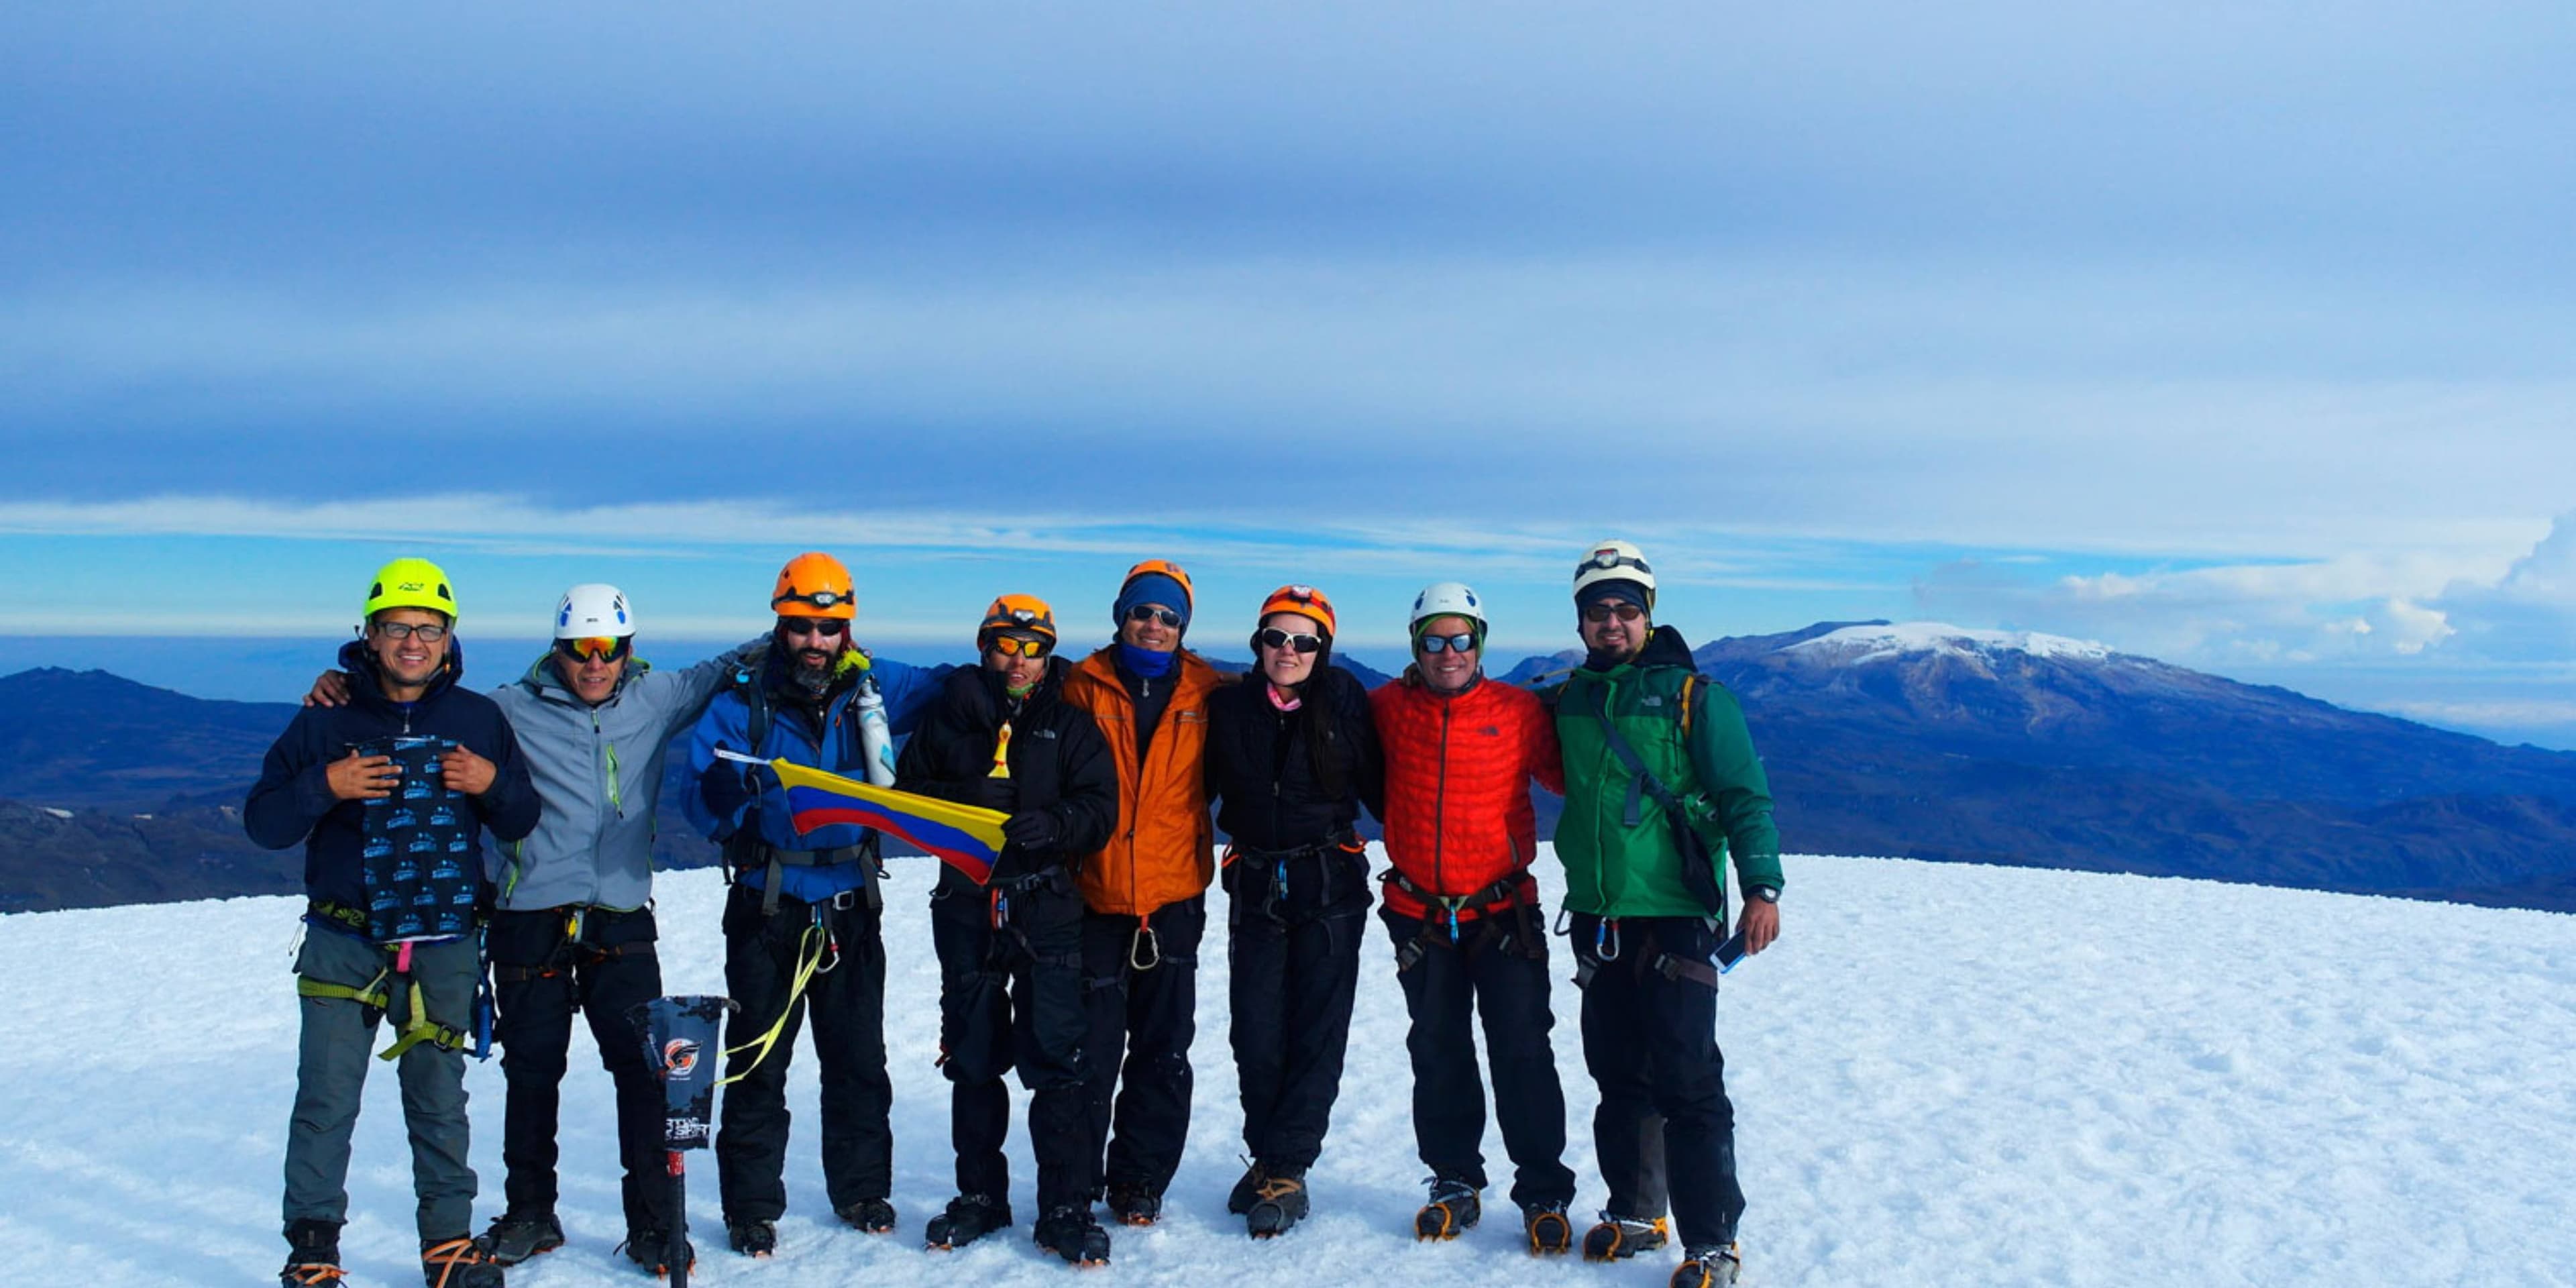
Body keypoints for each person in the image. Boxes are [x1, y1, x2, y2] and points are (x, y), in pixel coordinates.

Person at [305, 586, 766, 1273]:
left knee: (643, 1075)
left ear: (627, 650)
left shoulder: (658, 697)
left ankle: (650, 1224)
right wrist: (348, 677)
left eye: (608, 649)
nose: (594, 664)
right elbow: (422, 695)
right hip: (531, 918)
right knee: (532, 1073)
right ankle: (530, 1214)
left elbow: (732, 664)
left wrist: (813, 631)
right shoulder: (506, 709)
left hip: (621, 917)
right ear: (558, 651)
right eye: (580, 650)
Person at [246, 557, 539, 1288]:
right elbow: (265, 821)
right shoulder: (326, 718)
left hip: (442, 939)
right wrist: (327, 785)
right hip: (344, 938)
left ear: (449, 638)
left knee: (439, 1098)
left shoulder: (477, 719)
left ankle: (448, 1248)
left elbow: (523, 815)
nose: (414, 641)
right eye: (398, 627)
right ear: (370, 635)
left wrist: (492, 783)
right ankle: (313, 1251)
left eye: (429, 629)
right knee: (326, 1096)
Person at [682, 552, 941, 1257]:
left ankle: (861, 1191)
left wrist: (1051, 675)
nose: (816, 642)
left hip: (851, 902)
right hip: (769, 906)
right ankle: (751, 1206)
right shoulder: (741, 704)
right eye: (802, 627)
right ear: (781, 625)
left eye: (829, 628)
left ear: (847, 629)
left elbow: (960, 688)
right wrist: (727, 799)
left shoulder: (877, 687)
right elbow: (696, 792)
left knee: (858, 1055)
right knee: (756, 1061)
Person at [1546, 541, 1782, 1288]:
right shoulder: (1572, 699)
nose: (1611, 622)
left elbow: (1744, 794)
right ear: (1580, 620)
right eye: (1597, 611)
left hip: (1678, 916)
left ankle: (1712, 1239)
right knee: (1619, 1075)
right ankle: (1638, 1213)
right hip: (1600, 918)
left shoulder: (1697, 697)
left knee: (1687, 1080)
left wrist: (1762, 888)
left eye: (1626, 609)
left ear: (1649, 615)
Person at [896, 595, 1122, 1265]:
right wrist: (962, 802)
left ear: (1049, 654)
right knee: (972, 1054)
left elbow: (1099, 807)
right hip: (967, 901)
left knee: (1056, 1058)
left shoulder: (1071, 722)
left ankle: (1065, 1207)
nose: (1019, 660)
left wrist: (1054, 826)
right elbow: (909, 792)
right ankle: (980, 1198)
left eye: (1033, 648)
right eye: (1006, 645)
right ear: (984, 646)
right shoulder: (952, 714)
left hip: (1045, 900)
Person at [1368, 581, 1580, 1252]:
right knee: (1438, 1049)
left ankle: (1543, 1189)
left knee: (1522, 1048)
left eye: (1461, 639)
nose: (1448, 652)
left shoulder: (1518, 712)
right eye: (1434, 640)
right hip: (1419, 913)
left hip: (1503, 912)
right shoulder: (1386, 708)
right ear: (1416, 648)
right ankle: (1454, 1179)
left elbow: (1576, 778)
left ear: (1479, 643)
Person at [1204, 584, 1385, 1238]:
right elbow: (1187, 788)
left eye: (1304, 640)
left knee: (1315, 1031)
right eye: (1277, 637)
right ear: (1259, 643)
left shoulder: (1344, 704)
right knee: (1254, 1029)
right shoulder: (1228, 707)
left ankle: (1288, 1167)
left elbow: (1387, 786)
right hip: (1254, 882)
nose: (1289, 650)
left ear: (1323, 649)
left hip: (1329, 884)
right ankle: (1268, 1157)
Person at [1058, 559, 1225, 1230]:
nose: (1154, 626)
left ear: (1183, 627)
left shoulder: (1211, 690)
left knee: (1162, 1050)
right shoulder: (1080, 685)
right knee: (1089, 1051)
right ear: (1121, 614)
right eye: (1143, 612)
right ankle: (1075, 1178)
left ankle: (1140, 1180)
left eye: (1168, 617)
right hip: (1093, 895)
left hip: (1174, 897)